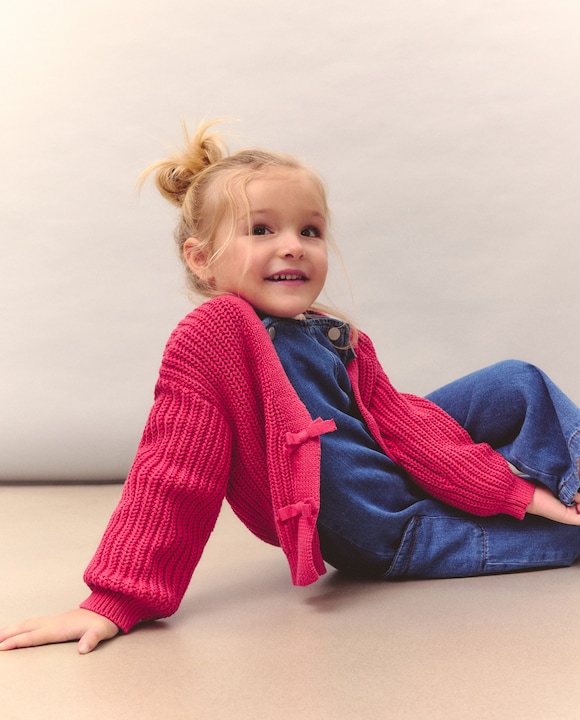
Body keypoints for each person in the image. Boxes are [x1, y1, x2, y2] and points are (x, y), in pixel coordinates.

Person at [2, 121, 580, 655]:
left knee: (515, 380)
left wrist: (504, 488)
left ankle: (570, 480)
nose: (293, 245)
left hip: (392, 467)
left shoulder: (336, 335)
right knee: (565, 542)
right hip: (387, 530)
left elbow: (403, 427)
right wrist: (115, 599)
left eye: (310, 230)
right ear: (201, 260)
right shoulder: (214, 337)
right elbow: (174, 470)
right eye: (261, 230)